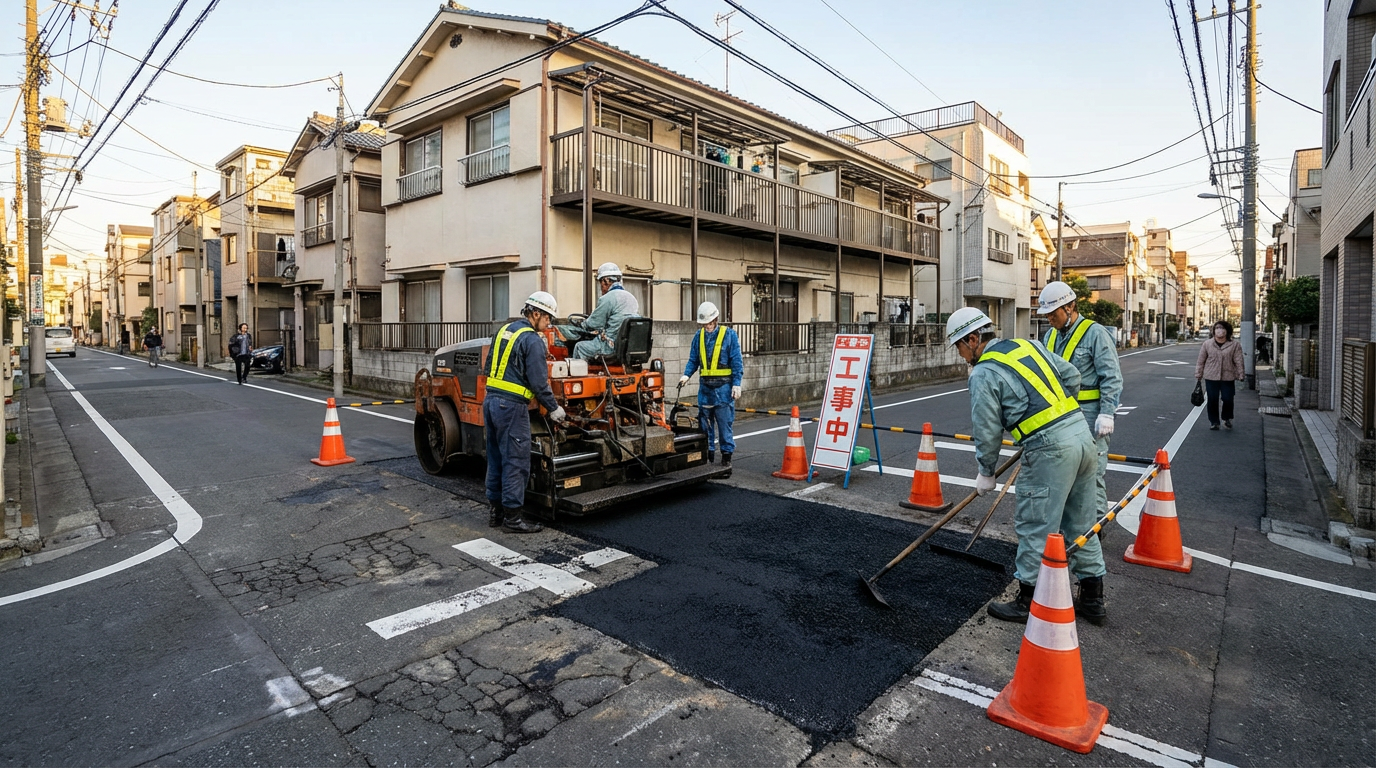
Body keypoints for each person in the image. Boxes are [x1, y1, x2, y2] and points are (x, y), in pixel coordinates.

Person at [946, 307, 1108, 625]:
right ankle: (1093, 599)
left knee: (1036, 524)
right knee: (1082, 522)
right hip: (1081, 435)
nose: (962, 356)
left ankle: (1027, 600)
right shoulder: (1028, 345)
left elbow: (987, 429)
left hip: (1049, 449)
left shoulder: (984, 372)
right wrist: (1055, 415)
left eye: (960, 348)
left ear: (973, 338)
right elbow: (1073, 377)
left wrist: (985, 471)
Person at [1037, 281, 1124, 564]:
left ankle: (1094, 531)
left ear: (1071, 307)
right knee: (1064, 474)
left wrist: (1107, 412)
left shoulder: (1095, 334)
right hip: (1059, 416)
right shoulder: (1049, 337)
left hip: (1090, 415)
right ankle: (1070, 526)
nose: (1049, 319)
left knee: (1091, 474)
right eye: (1047, 315)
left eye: (1053, 313)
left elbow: (1111, 375)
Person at [484, 291, 567, 534]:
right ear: (536, 313)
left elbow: (489, 366)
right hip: (511, 407)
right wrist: (555, 409)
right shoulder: (532, 340)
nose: (548, 324)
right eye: (547, 318)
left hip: (490, 403)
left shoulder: (504, 331)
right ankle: (512, 519)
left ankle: (495, 512)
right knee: (516, 462)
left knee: (496, 458)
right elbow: (539, 383)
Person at [679, 301, 743, 467]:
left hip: (724, 388)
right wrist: (686, 375)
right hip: (706, 389)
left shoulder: (729, 335)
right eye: (703, 324)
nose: (706, 326)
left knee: (724, 425)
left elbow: (736, 361)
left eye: (708, 322)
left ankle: (726, 455)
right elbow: (694, 359)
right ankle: (708, 454)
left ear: (715, 319)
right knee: (705, 426)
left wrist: (737, 383)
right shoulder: (698, 337)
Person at [559, 262, 640, 361]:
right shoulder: (632, 298)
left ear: (606, 280)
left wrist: (582, 324)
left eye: (600, 282)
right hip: (626, 346)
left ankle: (579, 373)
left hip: (610, 347)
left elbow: (593, 324)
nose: (601, 286)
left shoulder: (608, 298)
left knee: (580, 347)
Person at [1195, 320, 1245, 430]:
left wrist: (1241, 374)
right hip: (1211, 376)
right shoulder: (1207, 344)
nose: (1219, 330)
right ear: (1213, 331)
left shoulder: (1234, 345)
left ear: (1227, 331)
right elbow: (1201, 360)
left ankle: (1227, 418)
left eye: (1222, 328)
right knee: (1212, 399)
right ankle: (1214, 422)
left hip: (1228, 376)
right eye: (1217, 328)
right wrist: (1199, 373)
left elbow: (1238, 360)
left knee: (1228, 398)